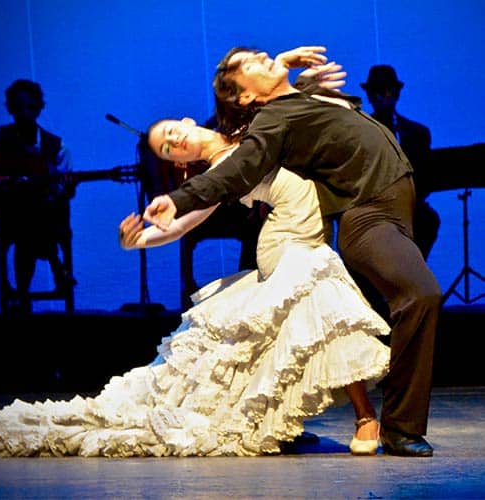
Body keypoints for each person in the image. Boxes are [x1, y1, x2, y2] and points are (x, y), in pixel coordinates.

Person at [0, 110, 391, 457]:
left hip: (303, 233)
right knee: (324, 305)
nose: (174, 142)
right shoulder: (217, 173)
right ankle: (366, 417)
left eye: (171, 133)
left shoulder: (254, 129)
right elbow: (184, 221)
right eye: (166, 148)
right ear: (176, 161)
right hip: (286, 243)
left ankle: (284, 419)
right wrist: (141, 239)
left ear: (187, 121)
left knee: (276, 340)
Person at [144, 46, 442, 457]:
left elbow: (291, 97)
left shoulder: (294, 101)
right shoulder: (272, 120)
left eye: (260, 55)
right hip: (366, 216)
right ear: (245, 96)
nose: (264, 57)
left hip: (394, 206)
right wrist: (179, 200)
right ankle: (398, 427)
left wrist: (287, 70)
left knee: (302, 331)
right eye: (250, 63)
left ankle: (287, 417)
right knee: (417, 295)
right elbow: (234, 172)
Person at [0, 79, 76, 313]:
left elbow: (66, 189)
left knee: (32, 222)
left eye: (30, 107)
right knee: (27, 221)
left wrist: (61, 186)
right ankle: (58, 269)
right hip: (12, 214)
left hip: (43, 214)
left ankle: (23, 294)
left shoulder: (56, 146)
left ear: (38, 108)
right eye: (18, 108)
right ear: (10, 109)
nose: (24, 113)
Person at [360, 64, 440, 260]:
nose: (385, 97)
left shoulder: (418, 133)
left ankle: (411, 274)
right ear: (370, 96)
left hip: (410, 205)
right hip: (374, 206)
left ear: (397, 94)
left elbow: (425, 175)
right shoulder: (361, 132)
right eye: (379, 92)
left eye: (389, 91)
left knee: (428, 220)